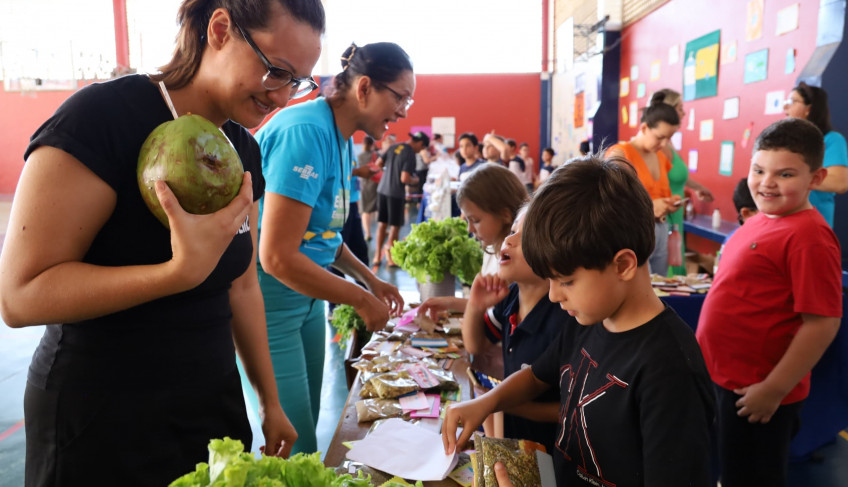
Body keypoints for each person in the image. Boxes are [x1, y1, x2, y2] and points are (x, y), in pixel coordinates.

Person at [0, 1, 325, 484]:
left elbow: (242, 286)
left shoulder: (242, 149)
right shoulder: (103, 118)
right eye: (275, 71)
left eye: (296, 81)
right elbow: (20, 296)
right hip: (101, 419)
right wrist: (175, 275)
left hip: (209, 410)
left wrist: (269, 401)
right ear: (220, 30)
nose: (281, 97)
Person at [442, 155, 715, 486]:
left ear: (623, 265)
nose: (554, 295)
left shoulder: (671, 371)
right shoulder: (586, 321)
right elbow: (536, 376)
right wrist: (487, 402)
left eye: (566, 281)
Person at [254, 41, 407, 454]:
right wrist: (359, 298)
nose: (403, 111)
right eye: (400, 97)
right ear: (364, 88)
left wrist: (371, 280)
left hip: (308, 298)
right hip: (268, 302)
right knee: (293, 444)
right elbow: (276, 256)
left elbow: (324, 236)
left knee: (307, 426)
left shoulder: (340, 138)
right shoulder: (305, 132)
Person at [696, 118, 842, 487]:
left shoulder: (809, 237)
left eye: (785, 174)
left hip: (756, 393)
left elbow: (823, 323)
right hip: (725, 380)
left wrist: (773, 390)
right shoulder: (762, 219)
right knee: (729, 472)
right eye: (759, 170)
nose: (766, 182)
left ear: (816, 178)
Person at [461, 207, 570, 452]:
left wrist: (505, 403)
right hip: (514, 441)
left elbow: (571, 409)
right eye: (512, 231)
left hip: (549, 450)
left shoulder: (565, 315)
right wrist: (475, 306)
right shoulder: (511, 296)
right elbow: (475, 346)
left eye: (526, 235)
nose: (509, 240)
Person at [607, 103, 683, 276]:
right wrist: (650, 206)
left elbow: (658, 194)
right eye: (660, 137)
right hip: (634, 231)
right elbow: (611, 200)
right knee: (641, 285)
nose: (664, 144)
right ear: (644, 128)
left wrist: (668, 203)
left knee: (661, 285)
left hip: (661, 229)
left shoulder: (661, 156)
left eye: (668, 138)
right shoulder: (621, 154)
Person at [652, 89, 714, 275]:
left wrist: (697, 188)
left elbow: (677, 175)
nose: (684, 113)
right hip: (665, 216)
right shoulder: (658, 146)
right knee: (666, 275)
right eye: (680, 108)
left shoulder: (668, 144)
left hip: (676, 217)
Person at [784, 82, 848, 227]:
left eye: (792, 101)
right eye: (786, 102)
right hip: (785, 222)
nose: (785, 107)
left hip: (814, 224)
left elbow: (840, 183)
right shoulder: (785, 142)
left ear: (809, 109)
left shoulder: (832, 139)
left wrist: (793, 179)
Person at [372, 131, 426, 270]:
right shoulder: (410, 154)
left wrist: (389, 172)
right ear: (420, 144)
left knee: (382, 224)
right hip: (395, 193)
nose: (420, 151)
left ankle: (377, 256)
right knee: (395, 227)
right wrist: (416, 180)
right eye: (422, 148)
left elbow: (378, 163)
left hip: (382, 189)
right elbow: (405, 178)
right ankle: (391, 258)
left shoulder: (394, 146)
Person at [358, 135, 379, 242]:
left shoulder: (359, 156)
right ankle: (382, 230)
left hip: (364, 185)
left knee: (365, 210)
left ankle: (367, 233)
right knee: (379, 209)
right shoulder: (377, 155)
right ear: (372, 144)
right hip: (377, 184)